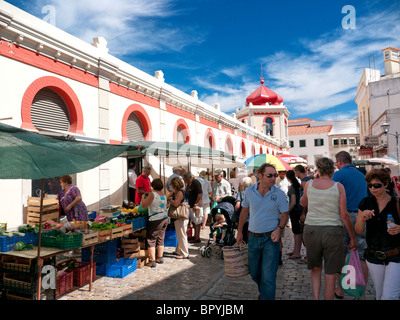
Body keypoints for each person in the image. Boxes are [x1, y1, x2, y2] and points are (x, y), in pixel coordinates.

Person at [301, 157, 357, 300]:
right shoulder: (338, 187)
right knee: (331, 272)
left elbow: (303, 203)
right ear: (332, 170)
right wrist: (352, 237)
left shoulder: (309, 184)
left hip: (312, 229)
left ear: (318, 169)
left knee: (315, 268)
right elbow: (344, 215)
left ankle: (315, 297)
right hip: (332, 231)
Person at [236, 163, 289, 300]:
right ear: (260, 176)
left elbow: (284, 215)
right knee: (254, 273)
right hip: (253, 238)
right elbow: (244, 212)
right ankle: (264, 292)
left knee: (269, 277)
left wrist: (279, 229)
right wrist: (240, 231)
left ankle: (266, 295)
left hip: (270, 240)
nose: (273, 178)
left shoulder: (279, 194)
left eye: (275, 175)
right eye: (269, 175)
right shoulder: (249, 192)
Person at [355, 169, 400, 300]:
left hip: (395, 255)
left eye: (377, 185)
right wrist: (362, 219)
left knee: (389, 296)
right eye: (370, 185)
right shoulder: (365, 203)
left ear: (386, 184)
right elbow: (358, 230)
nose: (373, 188)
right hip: (374, 255)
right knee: (380, 294)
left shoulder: (396, 203)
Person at [332, 151, 368, 299]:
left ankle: (340, 289)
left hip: (344, 216)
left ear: (340, 162)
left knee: (342, 254)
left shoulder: (339, 175)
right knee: (361, 256)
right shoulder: (362, 175)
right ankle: (362, 294)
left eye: (336, 163)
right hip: (361, 216)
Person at [140, 178, 168, 268]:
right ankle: (160, 257)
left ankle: (152, 261)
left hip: (155, 218)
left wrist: (142, 198)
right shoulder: (163, 194)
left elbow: (144, 205)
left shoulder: (152, 194)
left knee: (151, 239)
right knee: (160, 238)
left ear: (152, 186)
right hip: (164, 217)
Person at [167, 177, 189, 259]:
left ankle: (184, 253)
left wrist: (170, 199)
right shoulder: (182, 191)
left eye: (172, 185)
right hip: (183, 216)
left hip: (180, 216)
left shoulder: (180, 192)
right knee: (181, 233)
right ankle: (178, 250)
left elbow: (176, 204)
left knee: (182, 234)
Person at [294, 165, 311, 265]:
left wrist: (303, 212)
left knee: (306, 236)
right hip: (305, 210)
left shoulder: (305, 182)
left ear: (297, 172)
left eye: (295, 172)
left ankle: (309, 256)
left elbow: (307, 198)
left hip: (305, 211)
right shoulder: (307, 180)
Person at [286, 170, 303, 259]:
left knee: (297, 232)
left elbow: (293, 202)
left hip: (295, 211)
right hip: (297, 210)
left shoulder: (292, 188)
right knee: (296, 232)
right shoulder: (297, 186)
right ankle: (295, 250)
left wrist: (287, 211)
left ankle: (297, 252)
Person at [183, 172, 203, 243]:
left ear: (189, 178)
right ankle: (195, 236)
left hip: (196, 205)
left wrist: (196, 204)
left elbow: (200, 194)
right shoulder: (189, 183)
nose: (185, 181)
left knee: (197, 221)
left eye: (185, 180)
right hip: (191, 205)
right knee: (194, 221)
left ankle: (197, 237)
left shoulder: (196, 182)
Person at [234, 177, 253, 243]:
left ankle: (244, 251)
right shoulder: (254, 193)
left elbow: (237, 206)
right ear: (251, 184)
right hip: (253, 220)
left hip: (243, 220)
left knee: (243, 237)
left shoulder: (240, 193)